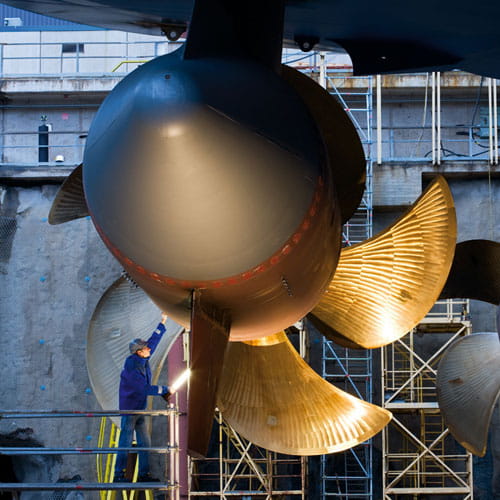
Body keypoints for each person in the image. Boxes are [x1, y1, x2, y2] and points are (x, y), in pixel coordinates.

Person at [114, 312, 170, 482]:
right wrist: (165, 389)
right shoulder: (132, 367)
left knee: (144, 442)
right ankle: (118, 475)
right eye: (145, 348)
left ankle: (144, 474)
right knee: (125, 441)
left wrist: (162, 323)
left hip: (138, 408)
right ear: (139, 352)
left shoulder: (141, 360)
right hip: (130, 409)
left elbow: (153, 342)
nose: (149, 349)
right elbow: (143, 388)